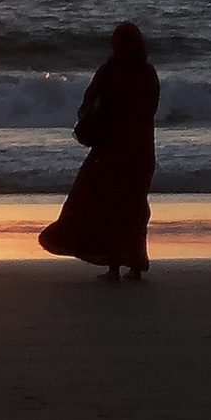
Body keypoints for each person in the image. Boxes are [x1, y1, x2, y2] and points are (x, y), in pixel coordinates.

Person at [39, 22, 159, 281]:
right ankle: (136, 262)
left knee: (102, 204)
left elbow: (89, 102)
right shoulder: (148, 73)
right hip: (142, 152)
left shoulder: (111, 71)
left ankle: (113, 264)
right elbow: (151, 108)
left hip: (112, 150)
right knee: (134, 206)